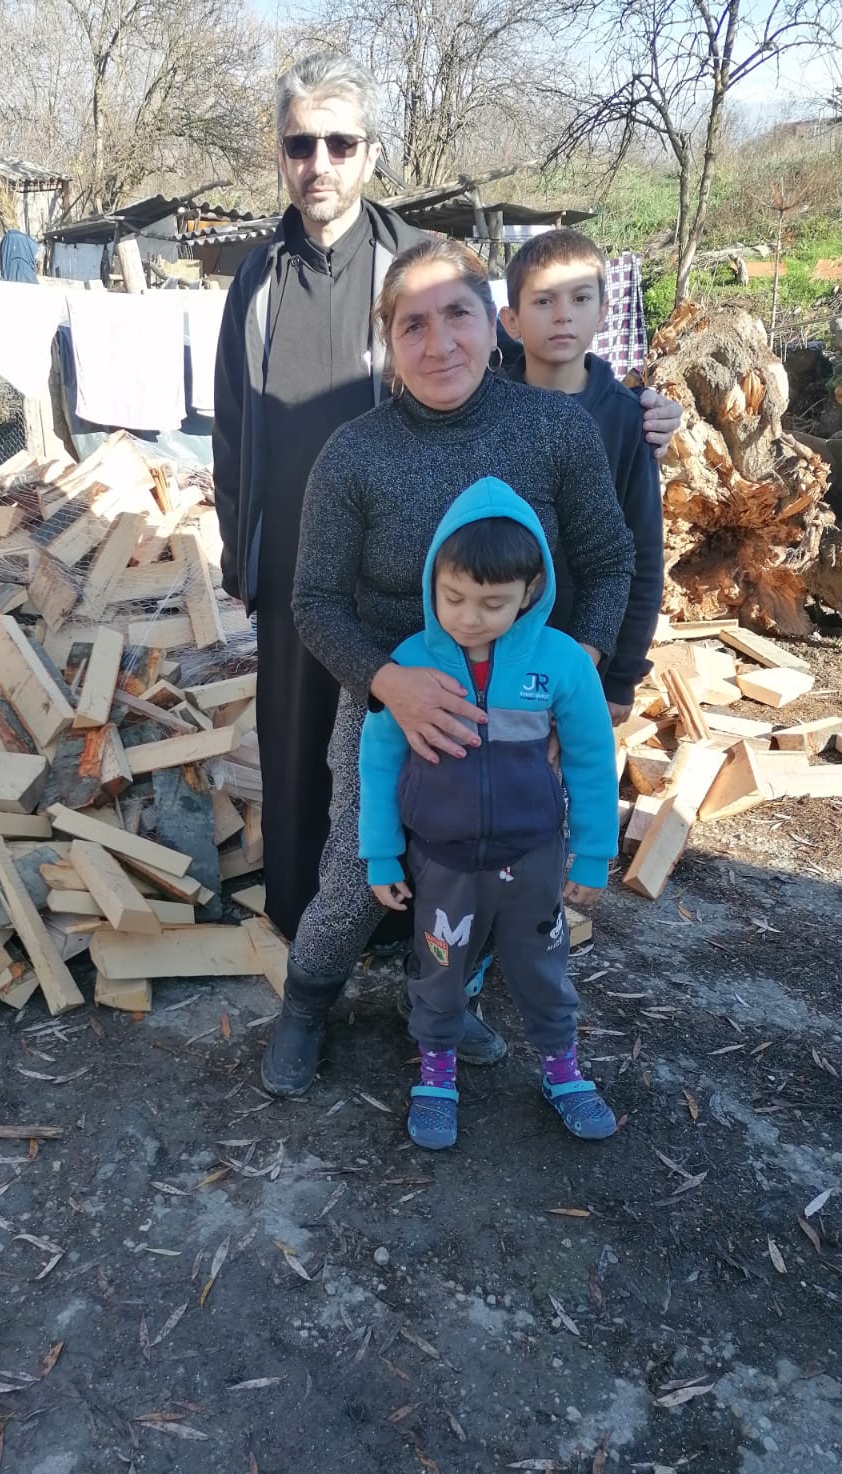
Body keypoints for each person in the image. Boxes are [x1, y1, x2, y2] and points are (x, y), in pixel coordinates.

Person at [212, 52, 680, 946]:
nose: (319, 162)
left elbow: (505, 377)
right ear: (280, 154)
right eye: (300, 144)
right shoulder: (257, 278)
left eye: (340, 143)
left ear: (370, 152)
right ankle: (312, 925)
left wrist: (626, 411)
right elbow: (233, 426)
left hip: (433, 574)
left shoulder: (413, 261)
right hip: (304, 571)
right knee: (309, 755)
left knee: (441, 760)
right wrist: (246, 555)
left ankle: (426, 939)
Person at [262, 235, 634, 1097]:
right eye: (413, 325)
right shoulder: (355, 454)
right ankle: (306, 1004)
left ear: (491, 323)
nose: (438, 345)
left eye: (457, 315)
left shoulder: (554, 429)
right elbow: (315, 601)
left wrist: (568, 680)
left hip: (521, 700)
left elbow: (609, 560)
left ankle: (441, 1000)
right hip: (391, 697)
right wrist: (389, 685)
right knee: (358, 873)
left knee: (500, 867)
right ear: (388, 341)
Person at [358, 480, 620, 1150]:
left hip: (533, 859)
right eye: (453, 598)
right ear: (433, 581)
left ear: (531, 591)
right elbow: (379, 763)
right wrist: (381, 854)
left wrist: (593, 854)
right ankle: (436, 1076)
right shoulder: (410, 664)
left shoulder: (562, 663)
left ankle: (563, 1071)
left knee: (542, 967)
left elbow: (592, 758)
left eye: (493, 603)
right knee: (439, 969)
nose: (469, 618)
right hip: (442, 862)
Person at [499, 228, 664, 721]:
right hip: (492, 654)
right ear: (511, 320)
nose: (563, 315)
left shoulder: (629, 420)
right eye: (543, 300)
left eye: (580, 298)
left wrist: (621, 676)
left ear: (604, 310)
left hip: (587, 660)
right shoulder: (488, 413)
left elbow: (644, 553)